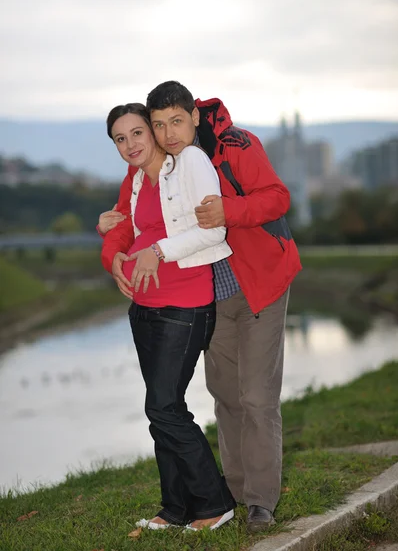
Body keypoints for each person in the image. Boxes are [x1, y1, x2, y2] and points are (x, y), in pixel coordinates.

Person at [98, 82, 302, 532]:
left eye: (176, 121)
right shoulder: (156, 163)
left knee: (257, 397)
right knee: (226, 396)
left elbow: (277, 197)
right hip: (213, 292)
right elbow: (128, 220)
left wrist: (228, 211)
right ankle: (231, 491)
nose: (168, 133)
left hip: (260, 282)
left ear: (194, 115)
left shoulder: (235, 145)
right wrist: (110, 248)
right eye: (158, 125)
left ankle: (261, 503)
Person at [103, 102, 236, 531]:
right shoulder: (137, 179)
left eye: (137, 133)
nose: (130, 144)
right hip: (145, 307)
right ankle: (175, 509)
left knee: (163, 408)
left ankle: (214, 503)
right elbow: (129, 229)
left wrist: (156, 251)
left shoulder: (186, 167)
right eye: (120, 139)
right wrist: (116, 250)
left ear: (154, 132)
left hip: (185, 304)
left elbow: (208, 230)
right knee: (162, 409)